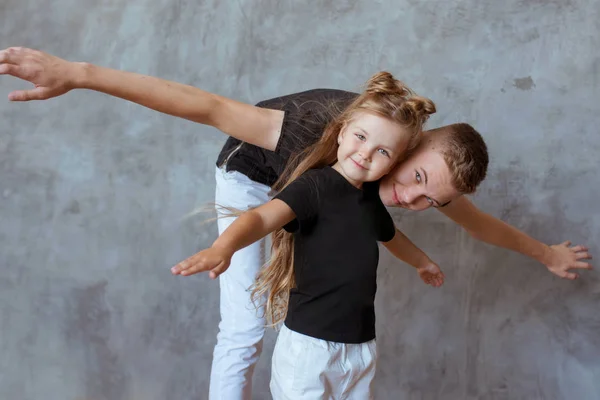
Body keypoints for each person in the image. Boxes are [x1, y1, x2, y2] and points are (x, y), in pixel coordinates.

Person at [0, 47, 592, 400]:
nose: (411, 201)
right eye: (416, 183)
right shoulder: (318, 132)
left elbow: (479, 224)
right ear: (405, 149)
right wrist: (76, 72)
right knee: (248, 324)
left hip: (320, 208)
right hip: (257, 181)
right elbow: (203, 105)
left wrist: (545, 253)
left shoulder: (411, 174)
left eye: (428, 201)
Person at [172, 71, 444, 398]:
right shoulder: (313, 187)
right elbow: (259, 219)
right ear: (342, 133)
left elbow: (391, 237)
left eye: (383, 152)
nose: (366, 153)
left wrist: (422, 262)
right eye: (361, 137)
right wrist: (224, 247)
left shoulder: (369, 200)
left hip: (359, 347)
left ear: (393, 163)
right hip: (309, 348)